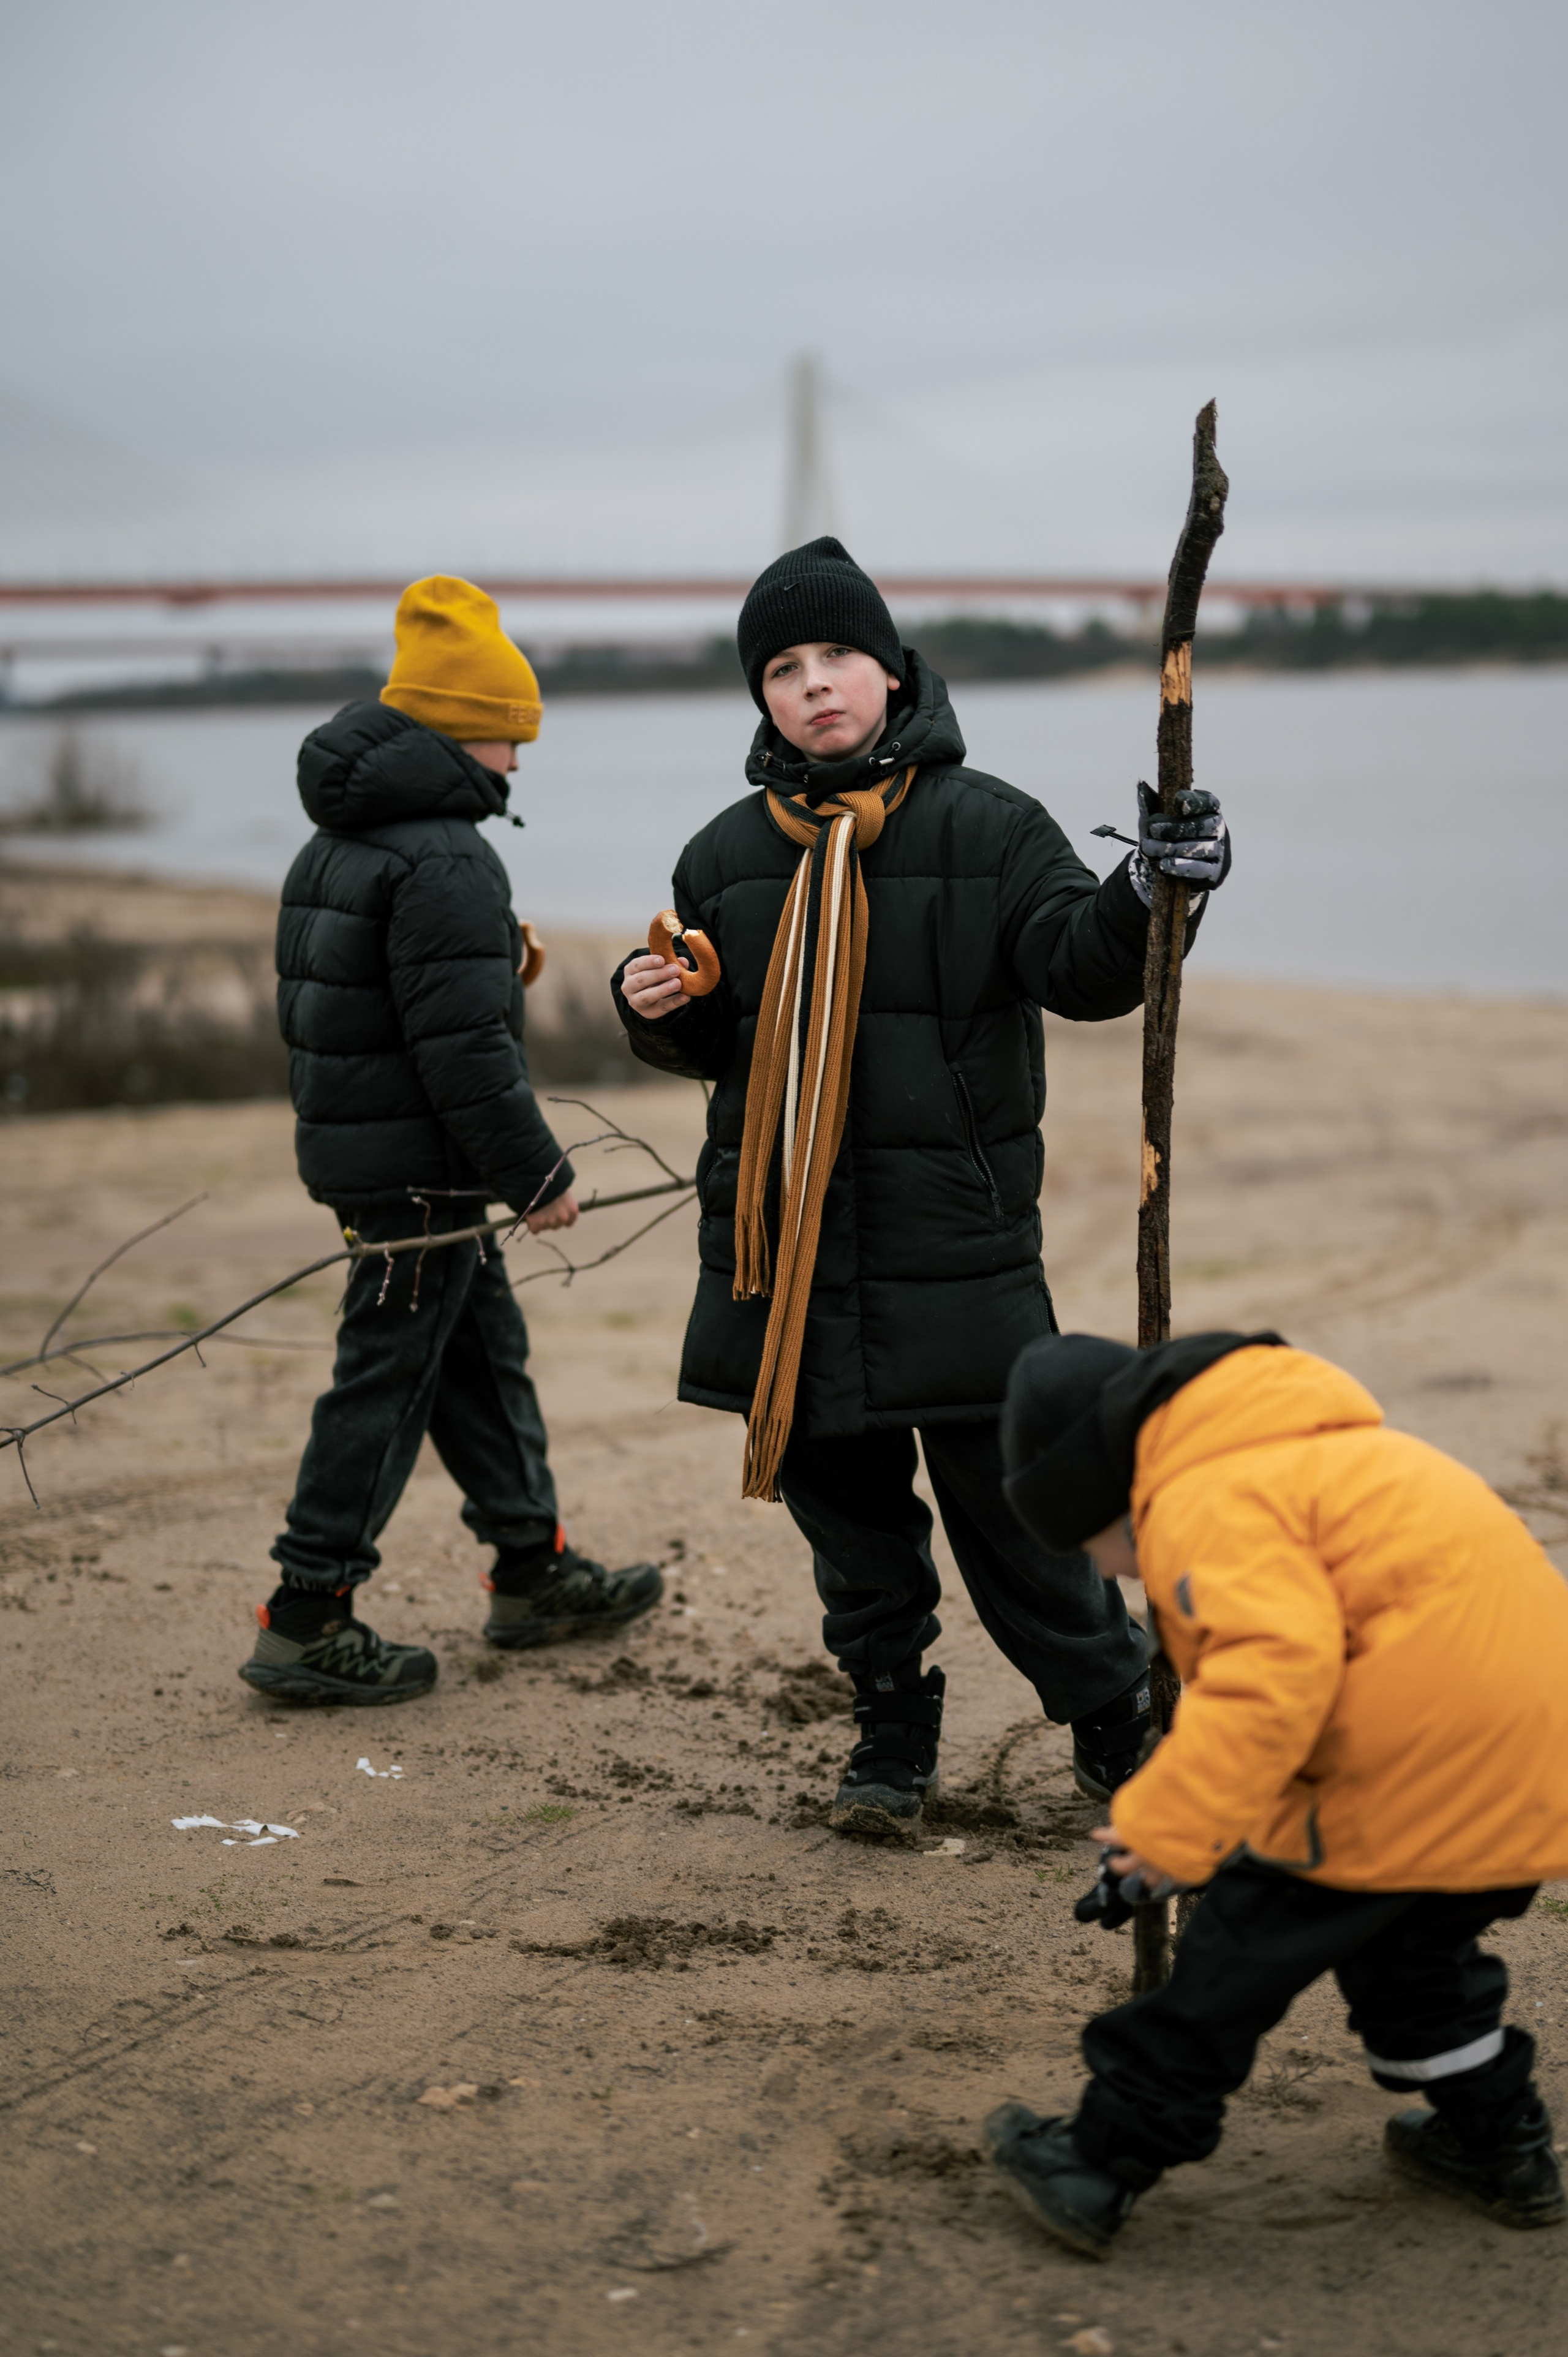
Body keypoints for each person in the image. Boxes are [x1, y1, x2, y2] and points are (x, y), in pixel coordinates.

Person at [612, 537, 1231, 1832]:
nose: (812, 684)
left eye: (837, 655)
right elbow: (716, 1042)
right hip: (785, 1255)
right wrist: (657, 1005)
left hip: (953, 1243)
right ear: (760, 698)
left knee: (1021, 1508)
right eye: (781, 667)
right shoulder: (723, 853)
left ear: (890, 672)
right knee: (845, 1519)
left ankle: (1112, 1718)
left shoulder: (990, 826)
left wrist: (1147, 889)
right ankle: (891, 1727)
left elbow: (1081, 968)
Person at [984, 1328, 1568, 2253]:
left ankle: (1098, 2163)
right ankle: (1503, 2144)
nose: (1103, 1572)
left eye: (1089, 1544)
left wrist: (1167, 1832)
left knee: (1230, 1963)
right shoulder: (1309, 1454)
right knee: (1414, 1963)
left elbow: (1269, 1681)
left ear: (1106, 1491)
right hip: (1529, 1766)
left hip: (1408, 1766)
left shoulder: (1203, 1499)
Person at [241, 575, 661, 1705]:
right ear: (459, 726)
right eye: (510, 735)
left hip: (373, 1163)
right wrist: (536, 1175)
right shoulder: (446, 859)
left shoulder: (340, 842)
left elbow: (353, 1009)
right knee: (381, 1382)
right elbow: (465, 1049)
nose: (518, 762)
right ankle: (306, 1613)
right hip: (421, 1180)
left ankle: (533, 1569)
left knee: (481, 1359)